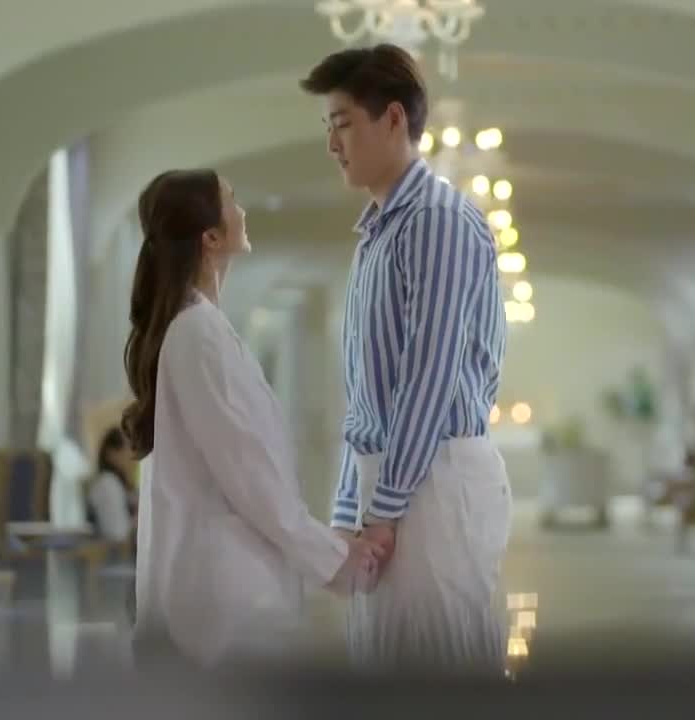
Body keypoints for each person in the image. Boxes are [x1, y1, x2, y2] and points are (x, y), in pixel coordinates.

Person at [299, 44, 513, 675]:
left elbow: (429, 378)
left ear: (393, 118)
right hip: (395, 479)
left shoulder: (436, 221)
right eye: (328, 128)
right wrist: (349, 511)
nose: (332, 145)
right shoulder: (379, 230)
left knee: (435, 671)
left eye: (343, 125)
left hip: (435, 478)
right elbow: (367, 395)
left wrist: (385, 509)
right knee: (388, 667)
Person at [121, 168, 385, 669]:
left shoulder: (206, 327)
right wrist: (331, 556)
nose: (242, 209)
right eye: (232, 199)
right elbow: (249, 476)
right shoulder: (197, 333)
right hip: (221, 604)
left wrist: (327, 545)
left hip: (234, 591)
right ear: (211, 237)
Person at [86, 426, 137, 544]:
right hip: (113, 554)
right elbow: (118, 534)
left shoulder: (118, 484)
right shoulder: (107, 484)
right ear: (111, 453)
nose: (133, 456)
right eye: (128, 449)